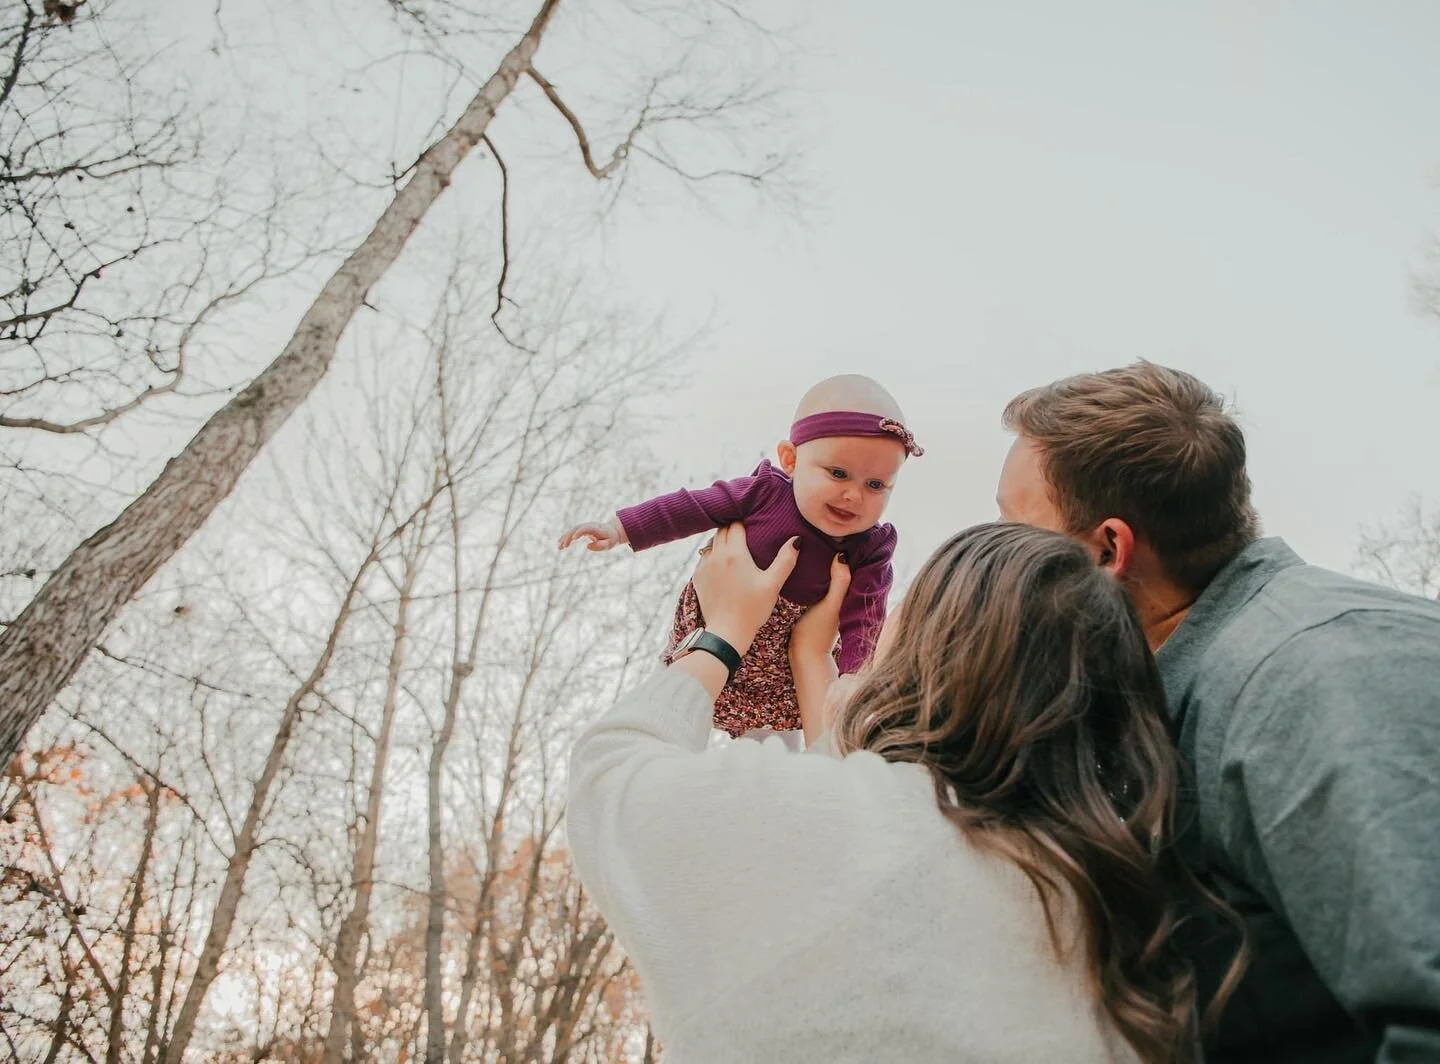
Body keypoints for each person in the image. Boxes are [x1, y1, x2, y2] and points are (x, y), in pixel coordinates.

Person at [567, 521, 1242, 1064]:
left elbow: (610, 769)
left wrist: (721, 636)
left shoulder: (823, 826)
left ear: (933, 653)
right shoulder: (1127, 909)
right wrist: (819, 672)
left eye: (903, 612)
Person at [995, 361, 1440, 1063]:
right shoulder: (1182, 687)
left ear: (1108, 548)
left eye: (1013, 528)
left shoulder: (1319, 676)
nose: (997, 560)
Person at [558, 374, 922, 740]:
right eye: (838, 473)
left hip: (784, 678)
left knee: (773, 747)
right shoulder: (764, 493)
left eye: (876, 485)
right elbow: (691, 507)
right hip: (714, 627)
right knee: (678, 706)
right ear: (791, 459)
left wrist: (854, 677)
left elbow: (866, 616)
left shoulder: (870, 547)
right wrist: (621, 529)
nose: (853, 496)